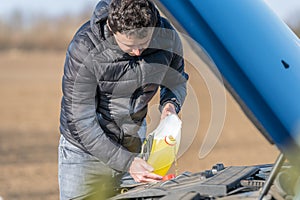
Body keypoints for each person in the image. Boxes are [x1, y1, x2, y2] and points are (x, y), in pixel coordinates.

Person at [58, 0, 188, 199]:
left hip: (135, 145)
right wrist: (128, 163)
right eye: (129, 46)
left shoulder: (167, 38)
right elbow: (80, 121)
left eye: (144, 45)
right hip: (83, 156)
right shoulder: (84, 47)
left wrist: (170, 106)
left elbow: (176, 81)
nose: (137, 52)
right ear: (111, 26)